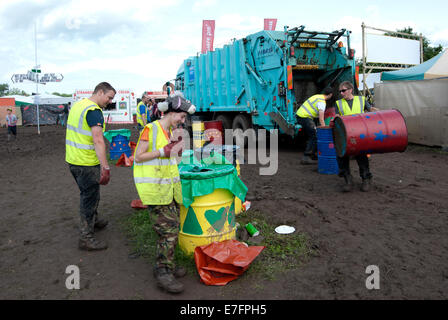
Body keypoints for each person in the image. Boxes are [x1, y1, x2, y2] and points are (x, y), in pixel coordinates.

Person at [133, 92, 195, 294]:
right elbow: (138, 157)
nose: (182, 121)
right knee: (167, 231)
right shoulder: (150, 129)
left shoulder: (168, 131)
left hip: (167, 189)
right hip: (155, 190)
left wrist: (176, 152)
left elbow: (168, 158)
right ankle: (163, 272)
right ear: (172, 112)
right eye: (182, 117)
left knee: (172, 228)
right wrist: (163, 152)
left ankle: (166, 263)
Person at [65, 82, 116, 251]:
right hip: (86, 162)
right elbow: (98, 139)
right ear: (100, 92)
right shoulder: (93, 111)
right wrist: (105, 166)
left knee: (91, 193)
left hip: (73, 160)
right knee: (89, 198)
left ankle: (94, 220)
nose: (109, 101)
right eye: (109, 97)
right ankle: (86, 237)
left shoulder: (79, 105)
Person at [335, 81, 379, 192]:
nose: (341, 93)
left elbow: (371, 110)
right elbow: (337, 117)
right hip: (346, 133)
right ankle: (348, 180)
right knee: (342, 156)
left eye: (343, 90)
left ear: (350, 90)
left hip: (360, 133)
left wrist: (380, 114)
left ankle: (366, 179)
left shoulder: (361, 99)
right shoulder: (338, 103)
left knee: (362, 157)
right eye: (340, 91)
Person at [296, 87, 333, 164]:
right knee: (314, 136)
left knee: (313, 134)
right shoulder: (322, 102)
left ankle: (312, 154)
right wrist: (325, 129)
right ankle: (306, 157)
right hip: (304, 117)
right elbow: (321, 118)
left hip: (301, 116)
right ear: (330, 95)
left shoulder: (317, 96)